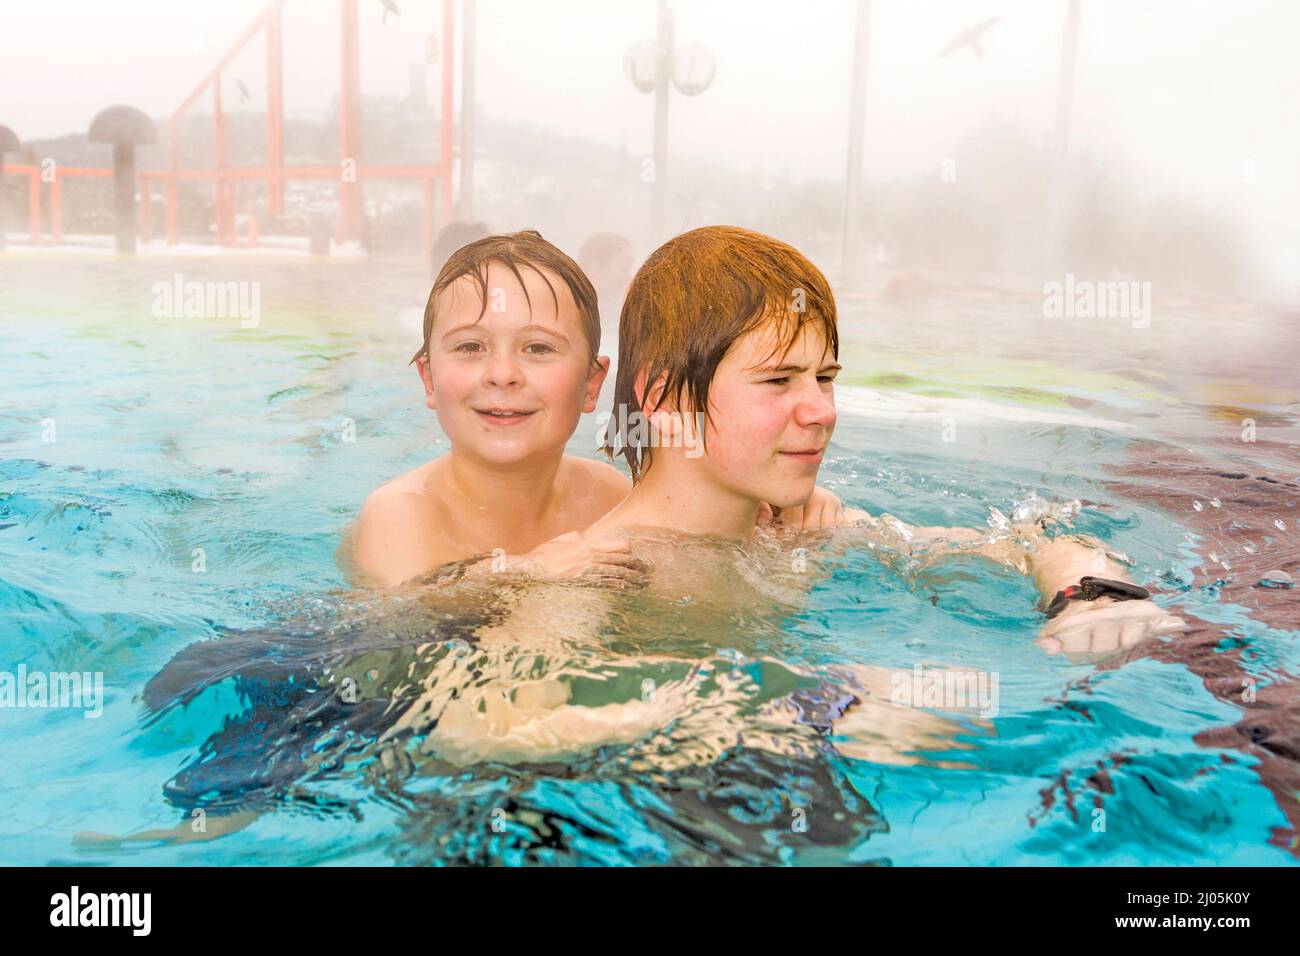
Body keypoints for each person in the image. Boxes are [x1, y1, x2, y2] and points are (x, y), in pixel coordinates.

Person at [347, 229, 844, 588]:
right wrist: (523, 574)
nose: (502, 374)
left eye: (538, 348)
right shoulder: (402, 513)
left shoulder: (606, 493)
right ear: (428, 378)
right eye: (470, 347)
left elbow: (689, 507)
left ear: (592, 384)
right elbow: (403, 627)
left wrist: (768, 502)